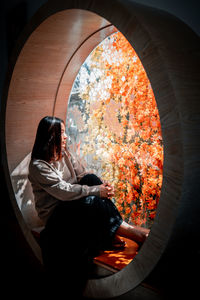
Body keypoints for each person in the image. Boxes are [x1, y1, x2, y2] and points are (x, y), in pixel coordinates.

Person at [28, 116, 149, 296]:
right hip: (56, 216)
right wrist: (96, 192)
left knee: (91, 179)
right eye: (61, 132)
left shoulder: (65, 154)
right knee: (90, 196)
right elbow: (64, 191)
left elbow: (83, 175)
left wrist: (102, 187)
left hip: (73, 205)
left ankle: (113, 231)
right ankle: (130, 232)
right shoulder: (38, 166)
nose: (66, 136)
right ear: (50, 136)